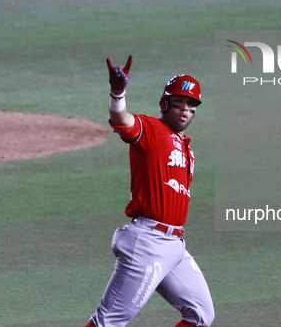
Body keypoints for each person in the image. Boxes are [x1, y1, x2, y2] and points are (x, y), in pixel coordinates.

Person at [84, 55, 215, 327]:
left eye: (191, 106)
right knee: (108, 322)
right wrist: (118, 92)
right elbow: (122, 120)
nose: (185, 110)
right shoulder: (151, 129)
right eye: (179, 103)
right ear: (164, 104)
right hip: (148, 242)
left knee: (201, 315)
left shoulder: (186, 148)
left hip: (175, 246)